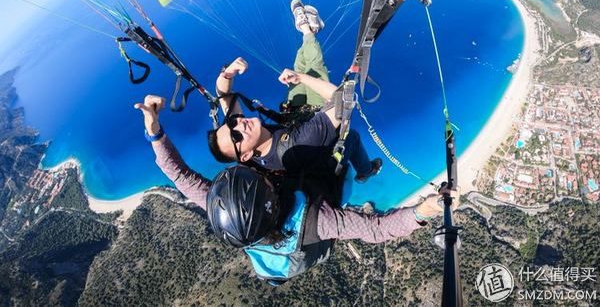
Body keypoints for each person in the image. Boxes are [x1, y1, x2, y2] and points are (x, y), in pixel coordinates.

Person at [134, 94, 459, 284]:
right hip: (322, 195)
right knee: (334, 163)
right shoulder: (317, 221)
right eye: (256, 178)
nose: (256, 173)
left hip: (275, 223)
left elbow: (179, 175)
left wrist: (154, 129)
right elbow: (377, 229)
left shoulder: (229, 206)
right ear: (272, 197)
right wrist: (425, 210)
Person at [207, 0, 382, 183]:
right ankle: (306, 28)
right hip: (312, 121)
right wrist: (301, 78)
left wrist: (226, 75)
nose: (239, 124)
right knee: (315, 69)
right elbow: (343, 101)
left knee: (299, 66)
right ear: (245, 156)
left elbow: (224, 97)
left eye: (233, 123)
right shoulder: (302, 141)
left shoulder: (250, 141)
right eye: (236, 135)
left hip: (293, 116)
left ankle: (309, 33)